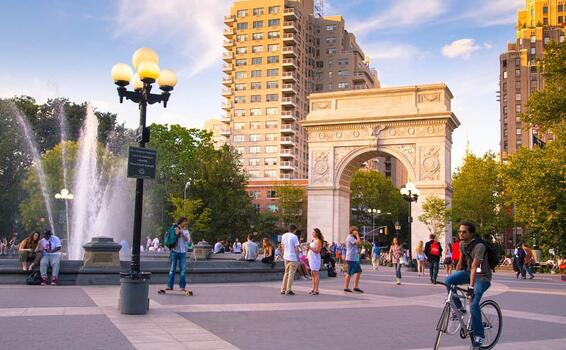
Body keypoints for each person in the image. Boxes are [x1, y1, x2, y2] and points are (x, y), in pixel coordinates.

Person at [445, 221, 492, 350]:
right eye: (460, 231)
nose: (461, 234)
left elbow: (474, 267)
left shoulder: (479, 246)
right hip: (468, 273)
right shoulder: (462, 244)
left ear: (471, 233)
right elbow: (461, 263)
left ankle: (479, 336)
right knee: (448, 281)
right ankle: (459, 309)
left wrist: (470, 288)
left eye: (464, 232)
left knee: (474, 304)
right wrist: (457, 268)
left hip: (482, 277)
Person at [166, 217, 191, 291]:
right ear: (181, 222)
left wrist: (182, 233)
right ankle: (170, 286)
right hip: (174, 251)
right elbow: (172, 236)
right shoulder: (174, 228)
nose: (185, 223)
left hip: (182, 252)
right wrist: (177, 231)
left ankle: (182, 286)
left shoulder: (186, 231)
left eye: (186, 222)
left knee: (183, 270)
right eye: (184, 222)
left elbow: (188, 241)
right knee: (172, 269)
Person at [280, 224, 300, 295]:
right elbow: (296, 248)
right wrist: (298, 258)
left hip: (286, 256)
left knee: (286, 273)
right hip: (293, 257)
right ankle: (288, 289)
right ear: (294, 230)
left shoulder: (284, 236)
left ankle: (283, 289)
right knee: (291, 274)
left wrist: (283, 254)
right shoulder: (295, 237)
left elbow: (282, 246)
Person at [343, 226, 363, 293]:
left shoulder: (351, 237)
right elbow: (359, 243)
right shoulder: (350, 238)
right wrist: (357, 235)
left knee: (358, 271)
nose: (356, 232)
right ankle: (346, 287)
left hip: (355, 258)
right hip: (351, 258)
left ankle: (356, 286)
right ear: (352, 231)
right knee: (349, 272)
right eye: (355, 231)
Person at [307, 229, 324, 295]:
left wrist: (310, 248)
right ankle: (313, 288)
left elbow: (317, 250)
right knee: (312, 273)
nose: (312, 233)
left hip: (315, 258)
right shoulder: (313, 240)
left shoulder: (318, 241)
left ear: (317, 233)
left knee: (315, 273)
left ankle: (316, 289)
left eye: (314, 232)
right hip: (311, 258)